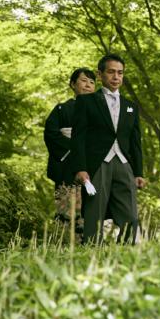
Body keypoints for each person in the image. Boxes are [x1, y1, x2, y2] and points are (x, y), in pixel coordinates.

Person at [70, 53, 146, 244]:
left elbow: (136, 142)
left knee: (131, 216)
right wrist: (80, 167)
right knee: (94, 215)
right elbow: (78, 137)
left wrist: (138, 172)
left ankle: (128, 253)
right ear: (100, 74)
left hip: (124, 164)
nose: (116, 77)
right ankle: (91, 254)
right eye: (111, 72)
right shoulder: (86, 102)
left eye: (120, 73)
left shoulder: (131, 107)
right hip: (97, 164)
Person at [44, 68, 96, 229]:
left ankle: (91, 244)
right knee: (67, 211)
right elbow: (51, 134)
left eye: (92, 82)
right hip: (67, 166)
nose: (88, 85)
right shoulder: (62, 109)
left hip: (93, 165)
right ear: (73, 84)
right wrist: (75, 147)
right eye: (83, 81)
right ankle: (63, 243)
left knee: (92, 213)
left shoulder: (100, 111)